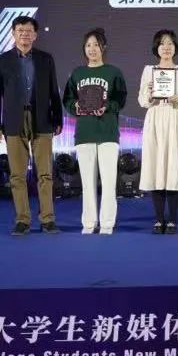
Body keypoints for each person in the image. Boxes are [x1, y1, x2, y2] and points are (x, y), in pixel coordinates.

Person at [0, 15, 63, 236]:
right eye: (20, 30)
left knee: (45, 174)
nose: (25, 34)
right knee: (17, 175)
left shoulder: (45, 59)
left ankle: (48, 219)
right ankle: (22, 220)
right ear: (13, 34)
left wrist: (58, 119)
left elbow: (54, 91)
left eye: (29, 31)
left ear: (35, 35)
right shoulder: (2, 60)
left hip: (42, 120)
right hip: (14, 121)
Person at [63, 28, 128, 234]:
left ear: (103, 47)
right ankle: (89, 223)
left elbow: (120, 100)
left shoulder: (113, 72)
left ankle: (107, 223)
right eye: (88, 45)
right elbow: (68, 100)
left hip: (107, 132)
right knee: (87, 183)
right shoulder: (77, 73)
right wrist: (75, 107)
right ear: (84, 49)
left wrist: (106, 106)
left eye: (96, 45)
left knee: (109, 182)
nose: (92, 49)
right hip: (85, 132)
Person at [138, 30, 178, 234]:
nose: (166, 47)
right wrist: (151, 94)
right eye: (162, 43)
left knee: (173, 166)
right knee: (156, 166)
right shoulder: (149, 70)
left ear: (175, 47)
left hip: (174, 117)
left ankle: (172, 220)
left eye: (170, 43)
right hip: (154, 118)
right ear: (157, 48)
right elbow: (142, 100)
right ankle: (159, 219)